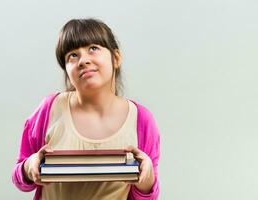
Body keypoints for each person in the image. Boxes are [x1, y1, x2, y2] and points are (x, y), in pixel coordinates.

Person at [12, 18, 160, 200]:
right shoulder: (49, 109)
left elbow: (148, 196)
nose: (83, 60)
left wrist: (146, 176)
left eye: (93, 49)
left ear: (116, 58)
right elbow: (19, 176)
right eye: (72, 55)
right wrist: (29, 167)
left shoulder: (142, 120)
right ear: (66, 70)